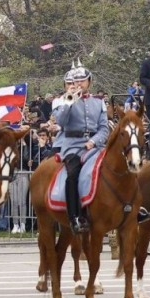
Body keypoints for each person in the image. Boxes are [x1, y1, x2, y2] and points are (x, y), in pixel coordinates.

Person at [53, 59, 110, 234]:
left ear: (89, 82)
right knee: (73, 174)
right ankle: (75, 217)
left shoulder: (98, 102)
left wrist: (94, 141)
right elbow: (61, 122)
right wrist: (69, 103)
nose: (79, 84)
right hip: (72, 146)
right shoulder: (62, 101)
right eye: (76, 81)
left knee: (117, 167)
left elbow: (103, 128)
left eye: (82, 81)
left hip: (94, 146)